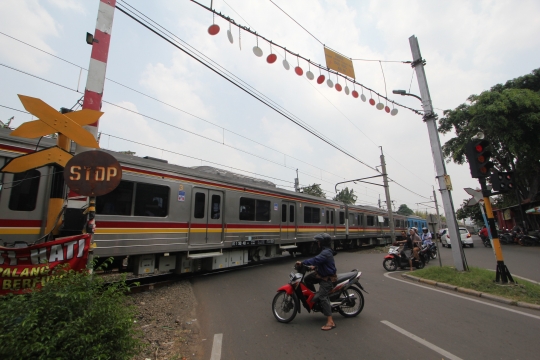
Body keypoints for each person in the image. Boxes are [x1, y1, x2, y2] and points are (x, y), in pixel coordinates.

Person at [296, 233, 337, 331]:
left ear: (322, 243)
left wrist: (303, 263)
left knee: (323, 296)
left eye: (318, 242)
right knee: (307, 279)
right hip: (321, 274)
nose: (317, 243)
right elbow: (320, 262)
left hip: (327, 278)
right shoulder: (325, 251)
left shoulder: (326, 252)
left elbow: (316, 259)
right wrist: (312, 267)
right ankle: (315, 298)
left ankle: (330, 322)